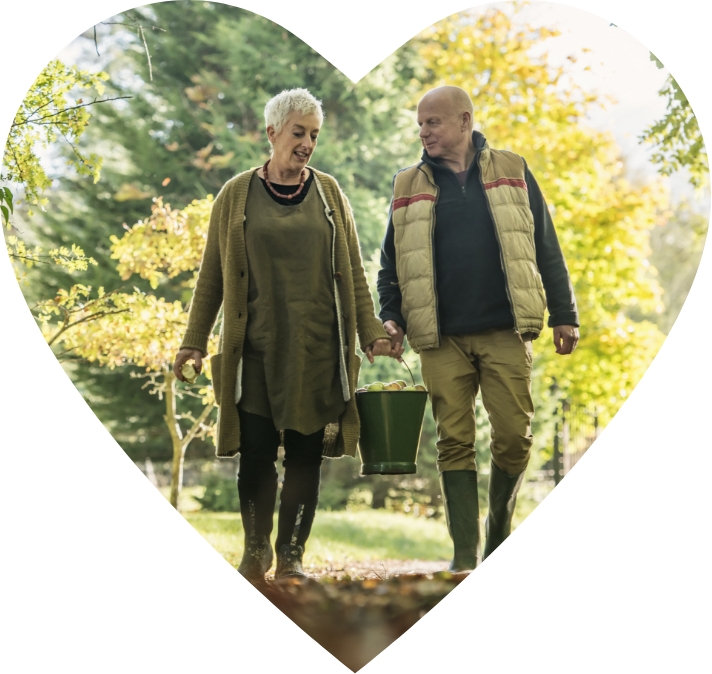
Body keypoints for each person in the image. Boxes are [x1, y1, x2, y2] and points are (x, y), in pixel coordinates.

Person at [173, 88, 391, 583]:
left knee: (304, 457)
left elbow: (353, 272)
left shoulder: (330, 194)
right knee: (255, 454)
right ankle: (255, 553)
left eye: (314, 134)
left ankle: (291, 555)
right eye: (299, 132)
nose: (307, 143)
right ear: (272, 133)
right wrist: (194, 339)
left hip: (315, 347)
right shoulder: (235, 194)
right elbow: (213, 274)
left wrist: (372, 333)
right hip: (254, 348)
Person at [377, 85, 580, 572]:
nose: (423, 131)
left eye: (433, 122)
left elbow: (544, 244)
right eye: (421, 123)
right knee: (454, 441)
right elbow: (392, 264)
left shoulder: (512, 169)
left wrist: (564, 312)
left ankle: (498, 536)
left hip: (504, 330)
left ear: (465, 121)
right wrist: (392, 316)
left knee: (514, 436)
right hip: (440, 336)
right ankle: (465, 553)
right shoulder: (407, 183)